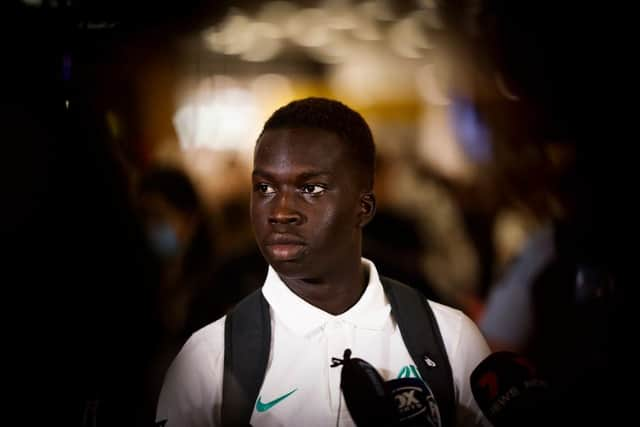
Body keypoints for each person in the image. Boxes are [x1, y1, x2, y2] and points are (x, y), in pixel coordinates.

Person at [155, 97, 491, 426]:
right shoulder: (207, 359)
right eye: (265, 188)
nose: (281, 212)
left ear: (364, 207)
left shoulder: (451, 340)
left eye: (312, 188)